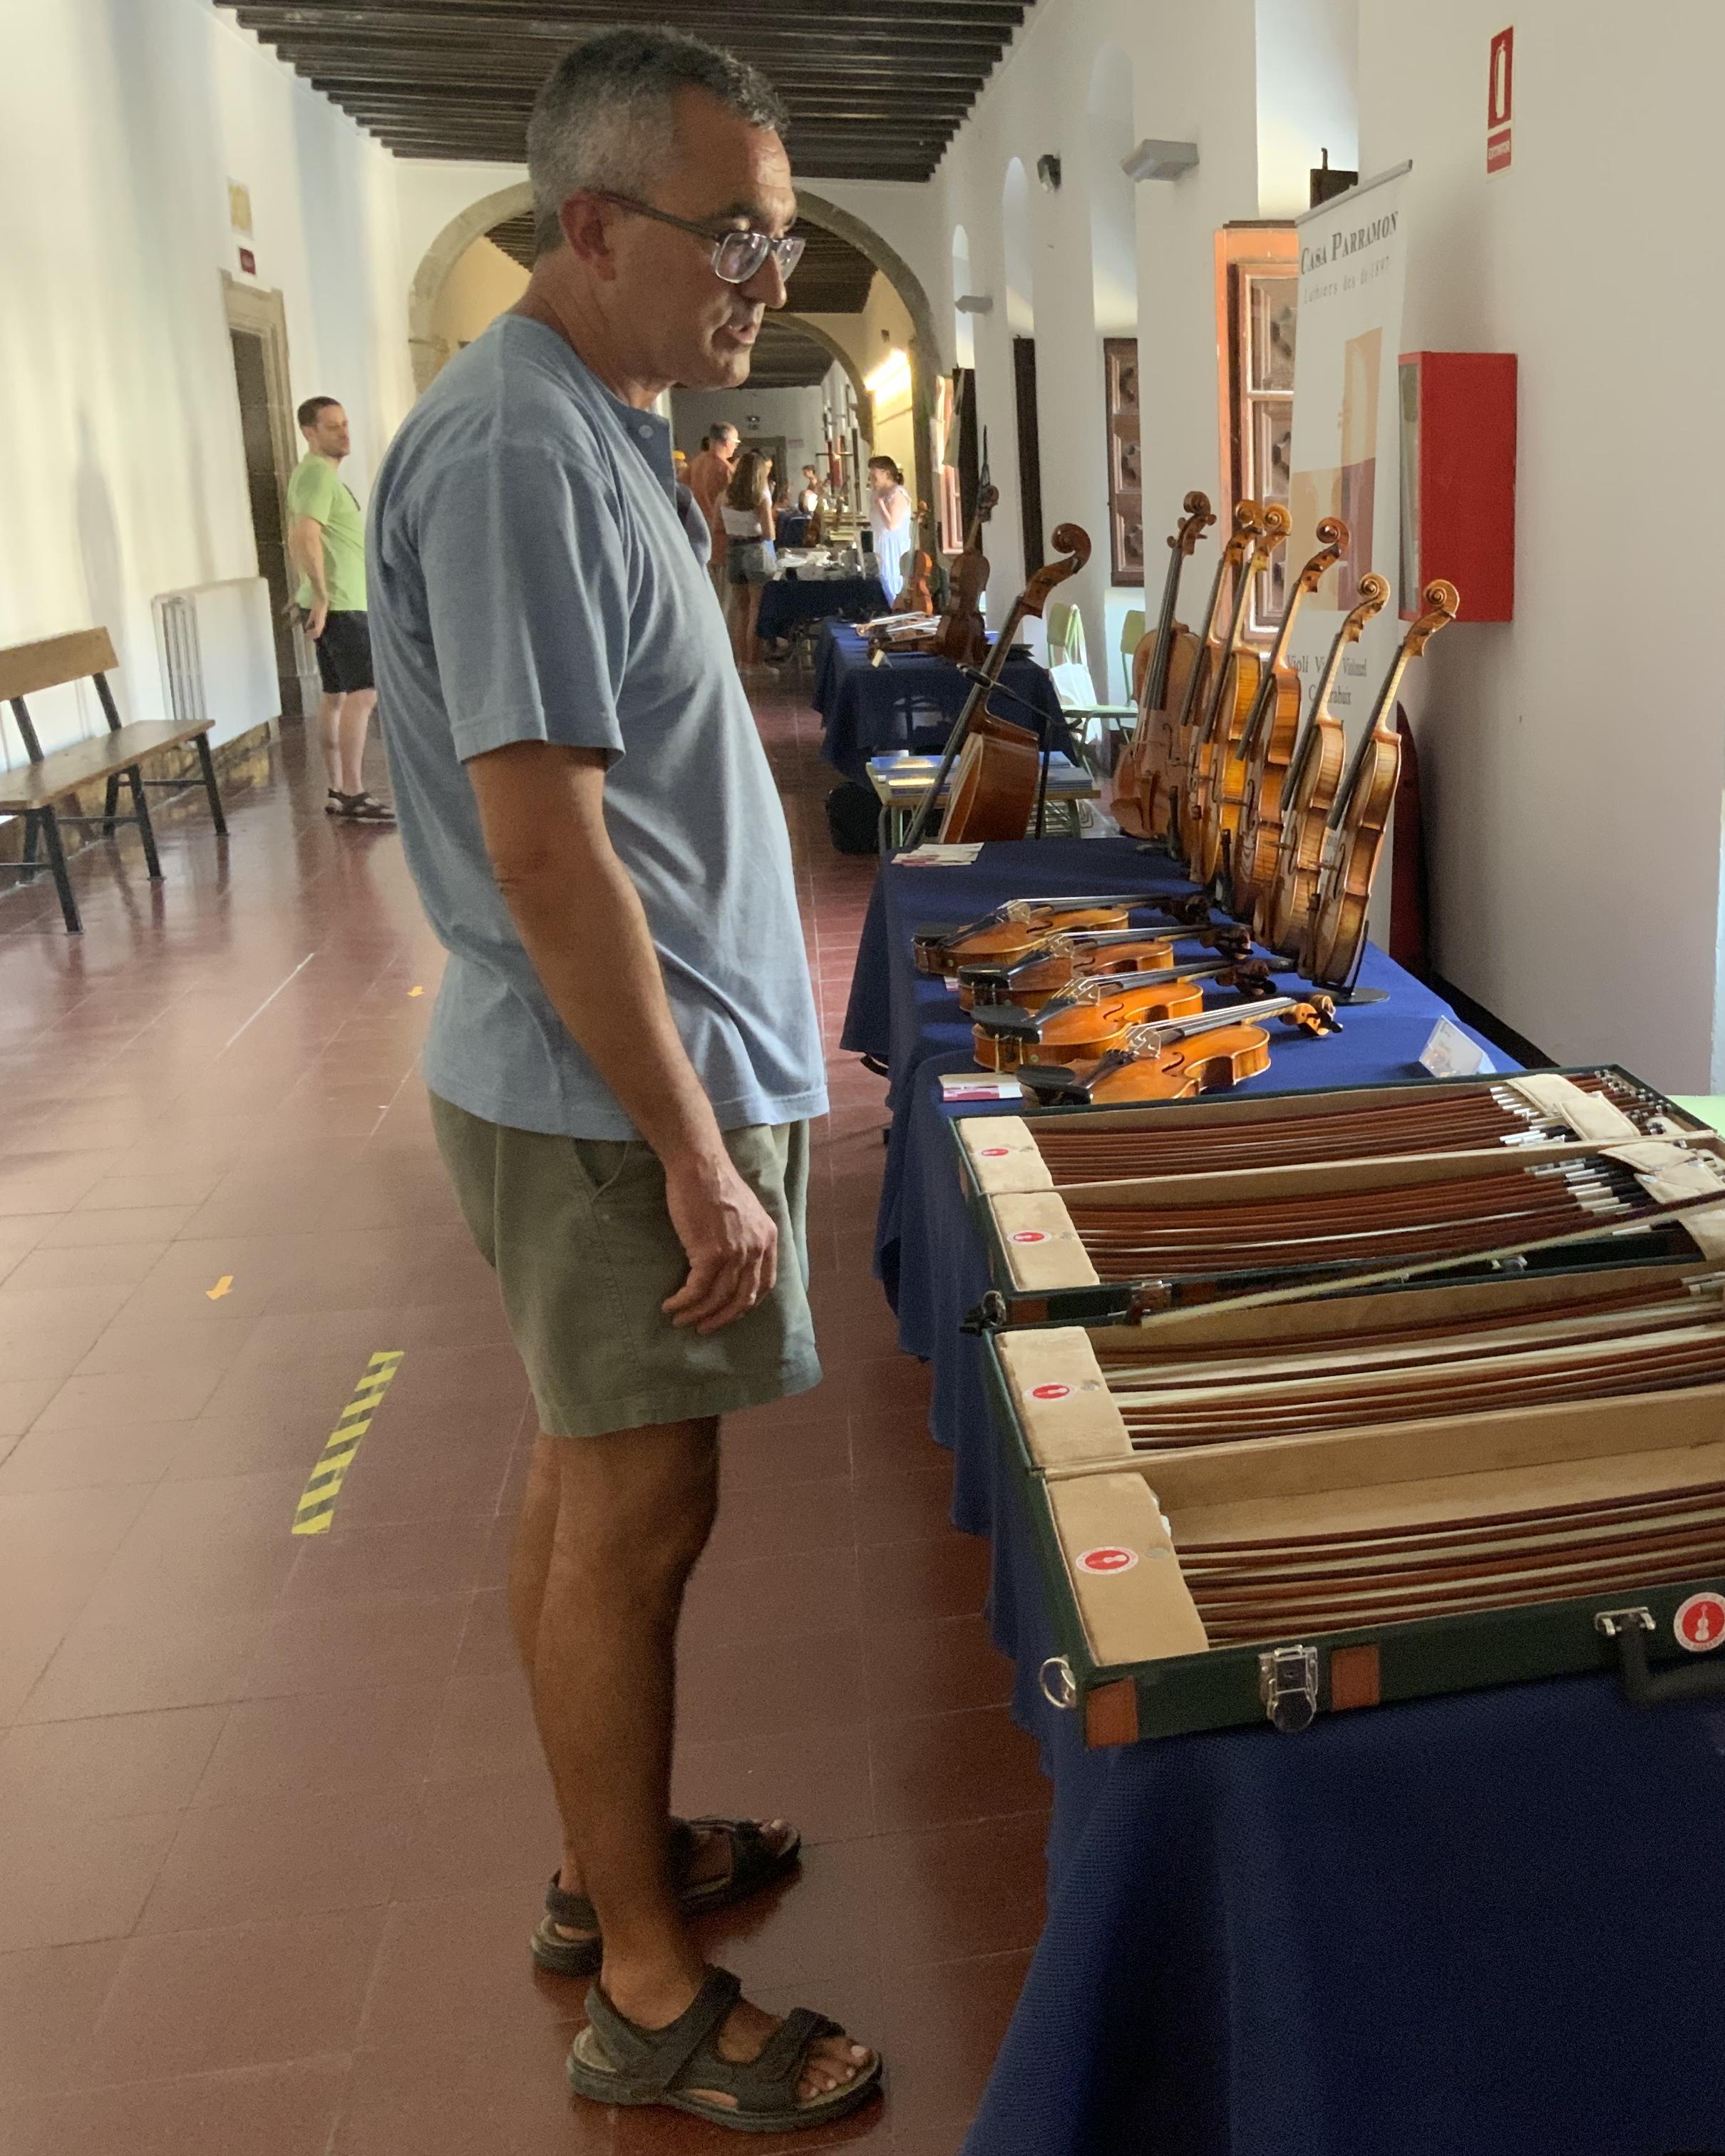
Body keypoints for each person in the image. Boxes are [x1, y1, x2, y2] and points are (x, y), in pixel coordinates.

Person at [365, 25, 879, 2134]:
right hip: (605, 1103)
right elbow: (548, 844)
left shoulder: (594, 416)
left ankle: (608, 1870)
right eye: (734, 239)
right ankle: (651, 1998)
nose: (767, 277)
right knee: (638, 1512)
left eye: (778, 238)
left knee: (595, 1476)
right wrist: (697, 1155)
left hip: (617, 1086)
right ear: (592, 230)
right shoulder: (513, 450)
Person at [286, 396, 391, 823]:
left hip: (340, 601)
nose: (344, 432)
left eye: (345, 423)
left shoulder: (319, 476)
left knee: (336, 695)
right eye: (332, 426)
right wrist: (323, 595)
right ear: (309, 433)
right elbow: (303, 537)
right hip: (343, 604)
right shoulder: (315, 477)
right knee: (364, 693)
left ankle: (336, 787)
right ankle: (352, 790)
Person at [719, 448, 774, 667]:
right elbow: (770, 534)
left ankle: (741, 662)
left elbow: (718, 524)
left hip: (733, 550)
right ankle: (755, 663)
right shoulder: (760, 497)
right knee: (756, 610)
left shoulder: (725, 495)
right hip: (754, 549)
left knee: (741, 611)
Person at [684, 421, 736, 608]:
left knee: (707, 595)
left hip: (697, 534)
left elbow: (679, 491)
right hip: (722, 539)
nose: (736, 446)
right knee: (726, 600)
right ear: (726, 442)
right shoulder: (727, 470)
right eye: (736, 441)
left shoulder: (697, 462)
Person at [867, 453, 912, 600]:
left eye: (874, 476)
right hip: (880, 543)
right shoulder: (877, 493)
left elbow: (892, 525)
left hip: (894, 547)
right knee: (881, 581)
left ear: (886, 474)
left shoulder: (897, 494)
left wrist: (881, 505)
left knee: (892, 580)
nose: (872, 480)